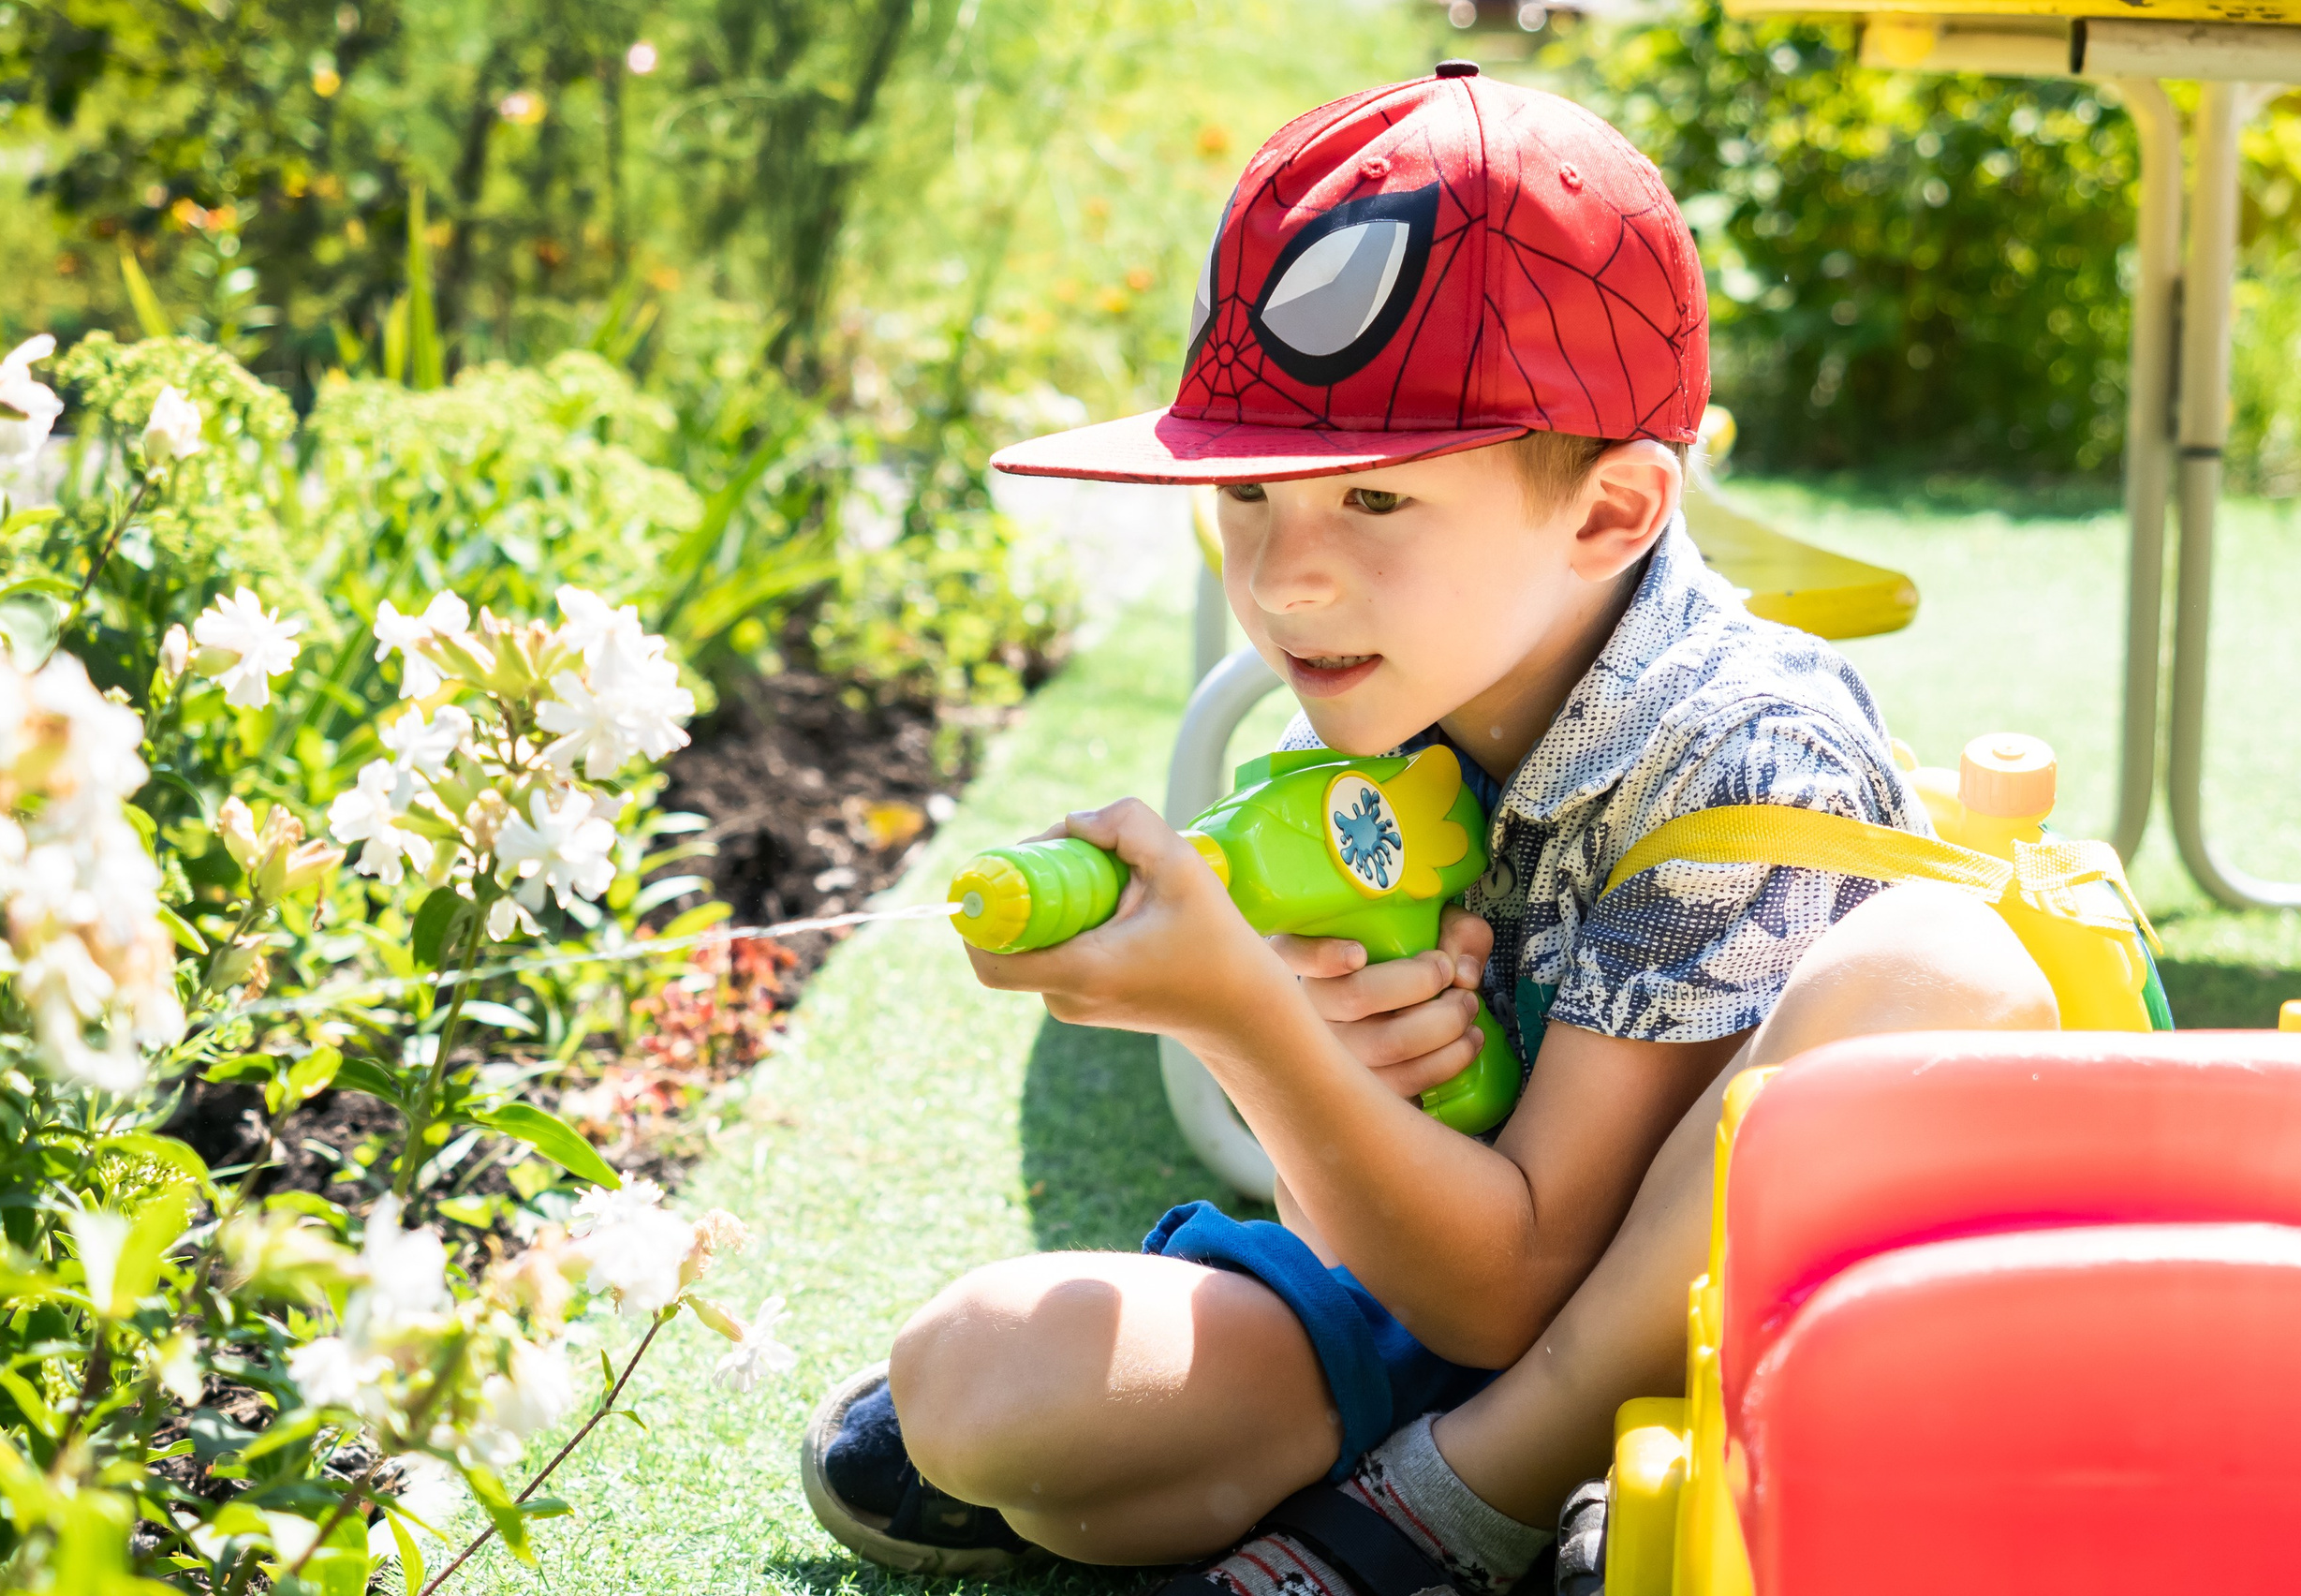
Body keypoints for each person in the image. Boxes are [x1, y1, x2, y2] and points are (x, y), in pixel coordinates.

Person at [797, 63, 2059, 1594]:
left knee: (1939, 966)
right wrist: (1321, 1067)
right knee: (979, 1388)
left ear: (1609, 514)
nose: (1284, 582)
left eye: (1376, 507)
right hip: (1451, 1288)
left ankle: (1453, 1508)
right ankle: (1512, 1496)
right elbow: (1410, 1249)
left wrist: (1245, 1017)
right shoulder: (1392, 696)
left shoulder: (1747, 751)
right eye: (1250, 496)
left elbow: (1516, 1289)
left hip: (1714, 1315)